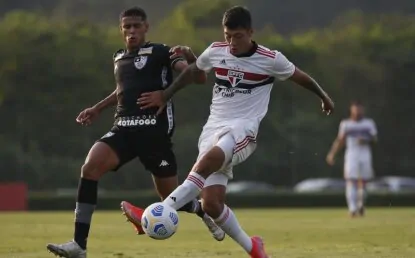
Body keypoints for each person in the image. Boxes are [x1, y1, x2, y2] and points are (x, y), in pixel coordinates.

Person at [125, 6, 335, 258]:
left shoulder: (271, 59)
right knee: (211, 204)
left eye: (237, 36)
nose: (232, 42)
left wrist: (323, 96)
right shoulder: (216, 51)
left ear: (250, 32)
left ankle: (158, 209)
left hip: (243, 128)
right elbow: (194, 72)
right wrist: (167, 93)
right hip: (213, 127)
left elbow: (300, 77)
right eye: (227, 36)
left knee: (206, 162)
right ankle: (254, 248)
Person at [46, 7, 224, 258]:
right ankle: (79, 245)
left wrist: (168, 89)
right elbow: (122, 90)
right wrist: (97, 108)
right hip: (123, 130)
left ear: (146, 28)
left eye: (136, 26)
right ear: (121, 30)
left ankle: (202, 212)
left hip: (154, 134)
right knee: (90, 167)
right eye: (126, 27)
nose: (131, 31)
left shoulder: (162, 51)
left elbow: (196, 76)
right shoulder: (119, 57)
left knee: (173, 198)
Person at [326, 101, 377, 217]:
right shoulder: (346, 124)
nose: (357, 112)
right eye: (355, 109)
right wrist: (332, 153)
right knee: (351, 180)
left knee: (363, 182)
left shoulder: (369, 123)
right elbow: (340, 140)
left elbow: (375, 139)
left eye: (359, 109)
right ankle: (352, 208)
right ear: (351, 110)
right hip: (351, 155)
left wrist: (365, 140)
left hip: (365, 154)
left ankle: (361, 205)